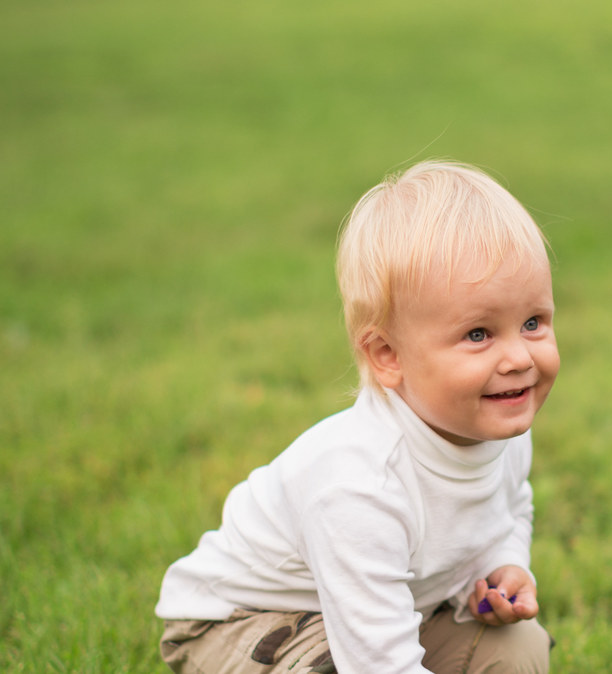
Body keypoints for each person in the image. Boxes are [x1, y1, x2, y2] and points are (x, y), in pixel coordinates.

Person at [154, 160, 559, 673]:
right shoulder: (360, 487)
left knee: (514, 652)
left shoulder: (497, 426)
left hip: (381, 610)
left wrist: (505, 565)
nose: (519, 358)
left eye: (532, 322)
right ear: (388, 355)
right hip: (240, 622)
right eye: (478, 334)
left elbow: (511, 506)